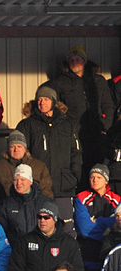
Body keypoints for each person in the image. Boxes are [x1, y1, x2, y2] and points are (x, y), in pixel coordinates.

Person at [47, 45, 114, 178]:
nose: (74, 62)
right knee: (77, 167)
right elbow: (47, 95)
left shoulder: (98, 81)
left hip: (97, 133)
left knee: (97, 168)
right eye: (71, 60)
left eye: (78, 59)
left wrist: (105, 126)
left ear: (84, 61)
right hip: (74, 134)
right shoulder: (61, 82)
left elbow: (108, 106)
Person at [15, 86, 82, 206]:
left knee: (65, 223)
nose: (42, 103)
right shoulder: (27, 125)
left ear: (54, 102)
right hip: (37, 186)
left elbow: (76, 152)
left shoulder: (67, 124)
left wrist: (74, 176)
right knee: (41, 222)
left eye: (46, 99)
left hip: (64, 186)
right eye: (39, 99)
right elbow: (18, 153)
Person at [72, 164, 120, 271]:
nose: (94, 179)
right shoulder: (82, 197)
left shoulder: (117, 199)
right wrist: (106, 224)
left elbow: (117, 225)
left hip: (108, 262)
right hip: (87, 260)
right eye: (92, 176)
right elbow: (85, 228)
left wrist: (96, 221)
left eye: (98, 177)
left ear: (106, 180)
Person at [0, 163, 56, 251]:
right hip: (15, 252)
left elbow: (56, 228)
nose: (18, 183)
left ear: (30, 182)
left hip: (41, 252)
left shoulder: (45, 202)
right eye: (16, 180)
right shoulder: (5, 204)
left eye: (22, 179)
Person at [0, 130, 53, 198]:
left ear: (25, 148)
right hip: (7, 206)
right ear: (8, 149)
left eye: (19, 146)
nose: (16, 150)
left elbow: (46, 191)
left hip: (33, 206)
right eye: (12, 147)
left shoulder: (39, 166)